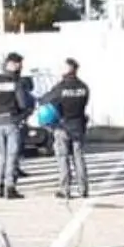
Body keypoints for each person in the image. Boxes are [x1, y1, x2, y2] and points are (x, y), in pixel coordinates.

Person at [41, 58, 92, 199]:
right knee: (79, 158)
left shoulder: (60, 88)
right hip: (79, 126)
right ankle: (83, 189)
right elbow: (84, 104)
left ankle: (65, 189)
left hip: (62, 127)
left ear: (67, 69)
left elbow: (45, 100)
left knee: (63, 158)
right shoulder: (84, 87)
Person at [0, 52, 30, 199]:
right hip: (12, 121)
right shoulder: (16, 83)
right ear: (14, 64)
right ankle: (10, 187)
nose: (21, 67)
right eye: (20, 64)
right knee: (12, 155)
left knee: (1, 156)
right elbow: (23, 103)